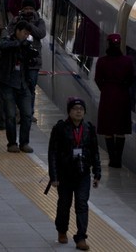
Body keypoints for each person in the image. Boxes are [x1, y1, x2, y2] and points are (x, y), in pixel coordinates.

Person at [47, 97, 101, 251]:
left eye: (81, 109)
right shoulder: (60, 129)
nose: (78, 111)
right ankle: (62, 230)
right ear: (69, 112)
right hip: (65, 174)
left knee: (82, 204)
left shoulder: (89, 129)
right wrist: (54, 176)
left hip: (83, 174)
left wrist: (97, 173)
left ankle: (81, 237)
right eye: (75, 109)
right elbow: (53, 153)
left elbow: (95, 152)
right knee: (64, 204)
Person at [94, 33, 134, 168]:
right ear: (119, 44)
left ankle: (112, 159)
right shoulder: (127, 61)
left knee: (108, 129)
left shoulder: (102, 61)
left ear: (108, 44)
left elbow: (98, 79)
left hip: (107, 95)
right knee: (121, 129)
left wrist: (106, 89)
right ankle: (119, 159)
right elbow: (132, 78)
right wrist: (123, 87)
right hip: (123, 96)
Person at [6, 0, 46, 123]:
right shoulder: (16, 20)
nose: (28, 11)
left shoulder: (39, 21)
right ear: (21, 10)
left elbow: (41, 34)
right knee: (18, 86)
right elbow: (10, 33)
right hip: (19, 59)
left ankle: (29, 113)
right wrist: (19, 23)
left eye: (31, 9)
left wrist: (29, 26)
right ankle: (18, 112)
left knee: (31, 87)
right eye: (26, 9)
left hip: (34, 61)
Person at [0, 21, 35, 153]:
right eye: (25, 33)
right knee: (10, 115)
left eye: (28, 34)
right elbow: (2, 46)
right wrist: (19, 44)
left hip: (23, 84)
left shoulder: (26, 44)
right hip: (8, 83)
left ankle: (24, 142)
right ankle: (12, 143)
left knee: (27, 114)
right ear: (18, 31)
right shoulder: (7, 39)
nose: (26, 36)